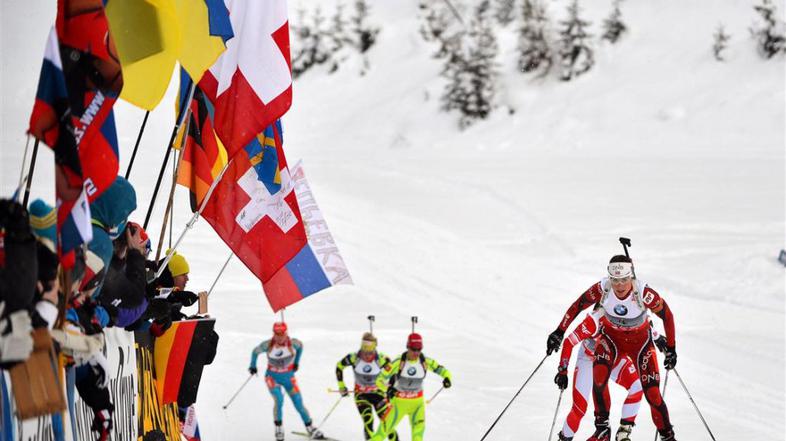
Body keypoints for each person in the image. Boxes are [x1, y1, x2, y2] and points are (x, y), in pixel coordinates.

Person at [546, 255, 677, 441]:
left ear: (631, 277)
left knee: (646, 389)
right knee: (588, 395)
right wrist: (560, 342)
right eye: (615, 280)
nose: (620, 285)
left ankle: (634, 432)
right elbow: (575, 317)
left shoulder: (642, 294)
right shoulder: (599, 304)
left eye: (624, 279)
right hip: (601, 350)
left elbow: (656, 319)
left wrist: (667, 345)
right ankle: (596, 430)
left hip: (629, 349)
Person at [554, 308, 643, 441]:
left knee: (637, 386)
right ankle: (565, 438)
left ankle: (623, 433)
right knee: (579, 409)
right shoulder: (594, 321)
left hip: (613, 359)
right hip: (589, 360)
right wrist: (563, 371)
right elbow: (568, 342)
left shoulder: (628, 313)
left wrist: (659, 340)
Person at [249, 322, 324, 441]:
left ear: (286, 333)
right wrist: (253, 366)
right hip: (272, 378)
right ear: (273, 333)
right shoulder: (268, 345)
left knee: (298, 403)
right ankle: (278, 427)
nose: (279, 337)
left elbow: (300, 347)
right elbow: (255, 352)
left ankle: (310, 427)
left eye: (281, 334)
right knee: (279, 400)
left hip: (288, 378)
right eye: (276, 334)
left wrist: (296, 362)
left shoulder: (293, 343)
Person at [370, 333, 451, 441]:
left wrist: (447, 378)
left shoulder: (424, 361)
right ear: (408, 347)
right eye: (413, 349)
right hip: (399, 404)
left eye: (419, 349)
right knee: (381, 434)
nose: (416, 353)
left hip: (417, 404)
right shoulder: (398, 362)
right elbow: (379, 380)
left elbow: (441, 370)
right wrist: (388, 389)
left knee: (418, 436)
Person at [336, 332, 397, 440]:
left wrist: (390, 389)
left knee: (387, 421)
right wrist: (341, 386)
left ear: (374, 350)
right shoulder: (354, 357)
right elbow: (339, 366)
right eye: (364, 352)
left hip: (378, 394)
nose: (367, 356)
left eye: (370, 352)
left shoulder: (382, 359)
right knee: (368, 419)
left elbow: (394, 373)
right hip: (361, 394)